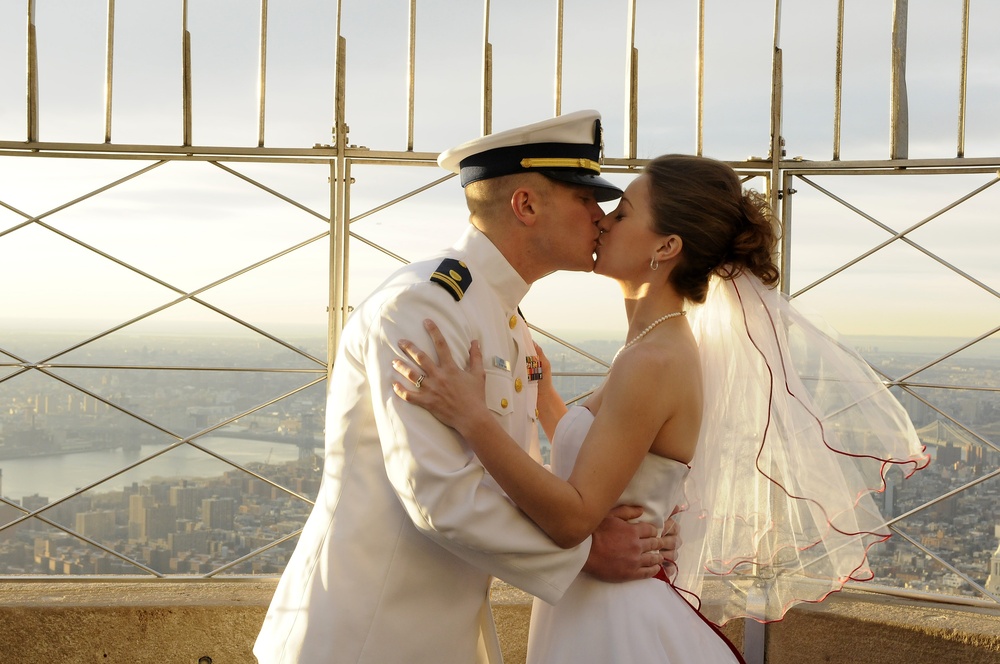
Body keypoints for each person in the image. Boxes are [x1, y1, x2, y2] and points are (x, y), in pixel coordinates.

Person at [392, 154, 930, 663]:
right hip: (593, 606)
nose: (602, 221)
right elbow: (617, 466)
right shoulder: (651, 345)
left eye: (622, 212)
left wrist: (472, 417)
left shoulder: (651, 359)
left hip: (612, 620)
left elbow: (574, 516)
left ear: (666, 247)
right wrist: (551, 402)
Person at [253, 111, 679, 664]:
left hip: (433, 637)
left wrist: (624, 517)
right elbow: (438, 495)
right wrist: (586, 552)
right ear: (525, 205)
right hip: (365, 637)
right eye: (584, 199)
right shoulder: (426, 307)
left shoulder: (504, 320)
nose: (600, 219)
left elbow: (509, 475)